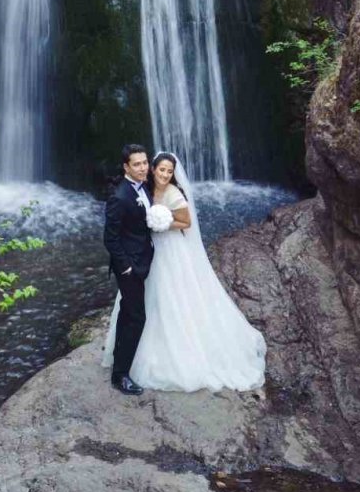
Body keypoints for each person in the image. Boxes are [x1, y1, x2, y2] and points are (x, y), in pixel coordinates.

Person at [102, 151, 266, 393]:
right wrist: (126, 264)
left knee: (166, 299)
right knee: (136, 309)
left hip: (166, 250)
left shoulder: (173, 193)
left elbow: (186, 222)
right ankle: (123, 367)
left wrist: (164, 223)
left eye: (169, 171)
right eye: (160, 169)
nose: (164, 174)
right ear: (148, 169)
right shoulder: (139, 189)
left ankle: (149, 359)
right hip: (141, 258)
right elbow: (117, 231)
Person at [103, 143, 155, 395]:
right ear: (126, 167)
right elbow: (109, 238)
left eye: (145, 162)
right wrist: (125, 268)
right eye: (137, 164)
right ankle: (120, 376)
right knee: (137, 317)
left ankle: (116, 355)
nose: (143, 167)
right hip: (130, 267)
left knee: (126, 312)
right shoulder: (119, 196)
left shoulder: (143, 185)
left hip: (142, 258)